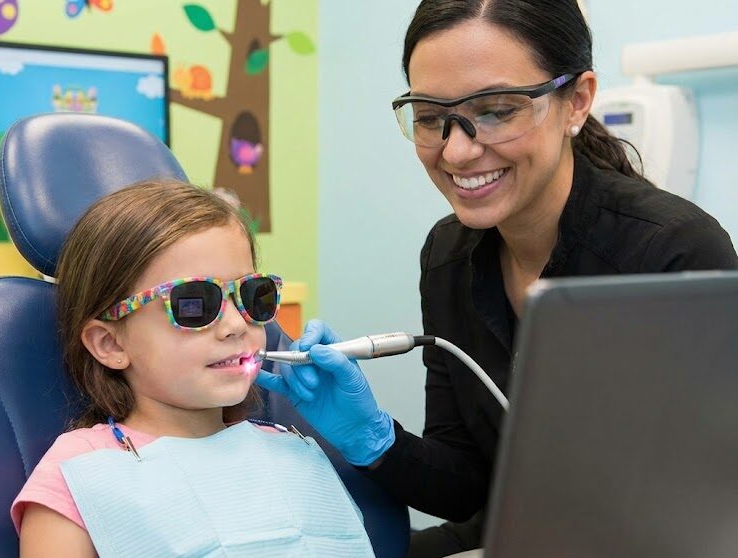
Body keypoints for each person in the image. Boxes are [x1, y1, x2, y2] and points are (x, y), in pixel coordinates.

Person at [255, 1, 738, 557]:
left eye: (496, 111)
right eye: (432, 118)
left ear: (576, 101)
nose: (457, 150)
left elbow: (701, 503)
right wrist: (372, 439)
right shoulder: (449, 255)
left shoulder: (671, 251)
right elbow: (465, 487)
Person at [12, 180, 375, 557]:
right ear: (111, 343)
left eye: (253, 295)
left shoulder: (289, 448)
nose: (237, 325)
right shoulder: (78, 473)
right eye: (194, 304)